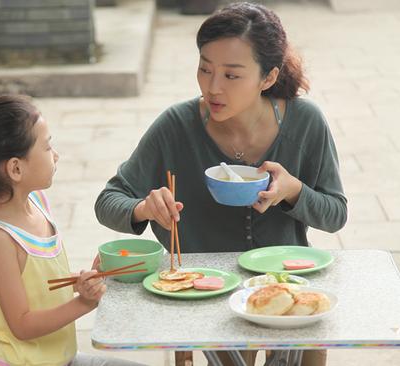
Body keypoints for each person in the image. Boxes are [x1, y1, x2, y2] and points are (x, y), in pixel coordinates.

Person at [94, 2, 346, 366]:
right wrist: (142, 208)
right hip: (203, 290)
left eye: (231, 76)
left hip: (282, 285)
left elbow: (336, 214)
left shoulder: (305, 122)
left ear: (268, 78)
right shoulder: (176, 126)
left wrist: (294, 191)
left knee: (312, 335)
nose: (212, 88)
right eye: (204, 69)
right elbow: (108, 200)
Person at [0, 95, 145, 366]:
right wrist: (83, 303)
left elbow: (38, 282)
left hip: (62, 359)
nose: (56, 155)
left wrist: (79, 281)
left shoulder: (37, 202)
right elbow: (22, 324)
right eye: (47, 147)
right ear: (16, 168)